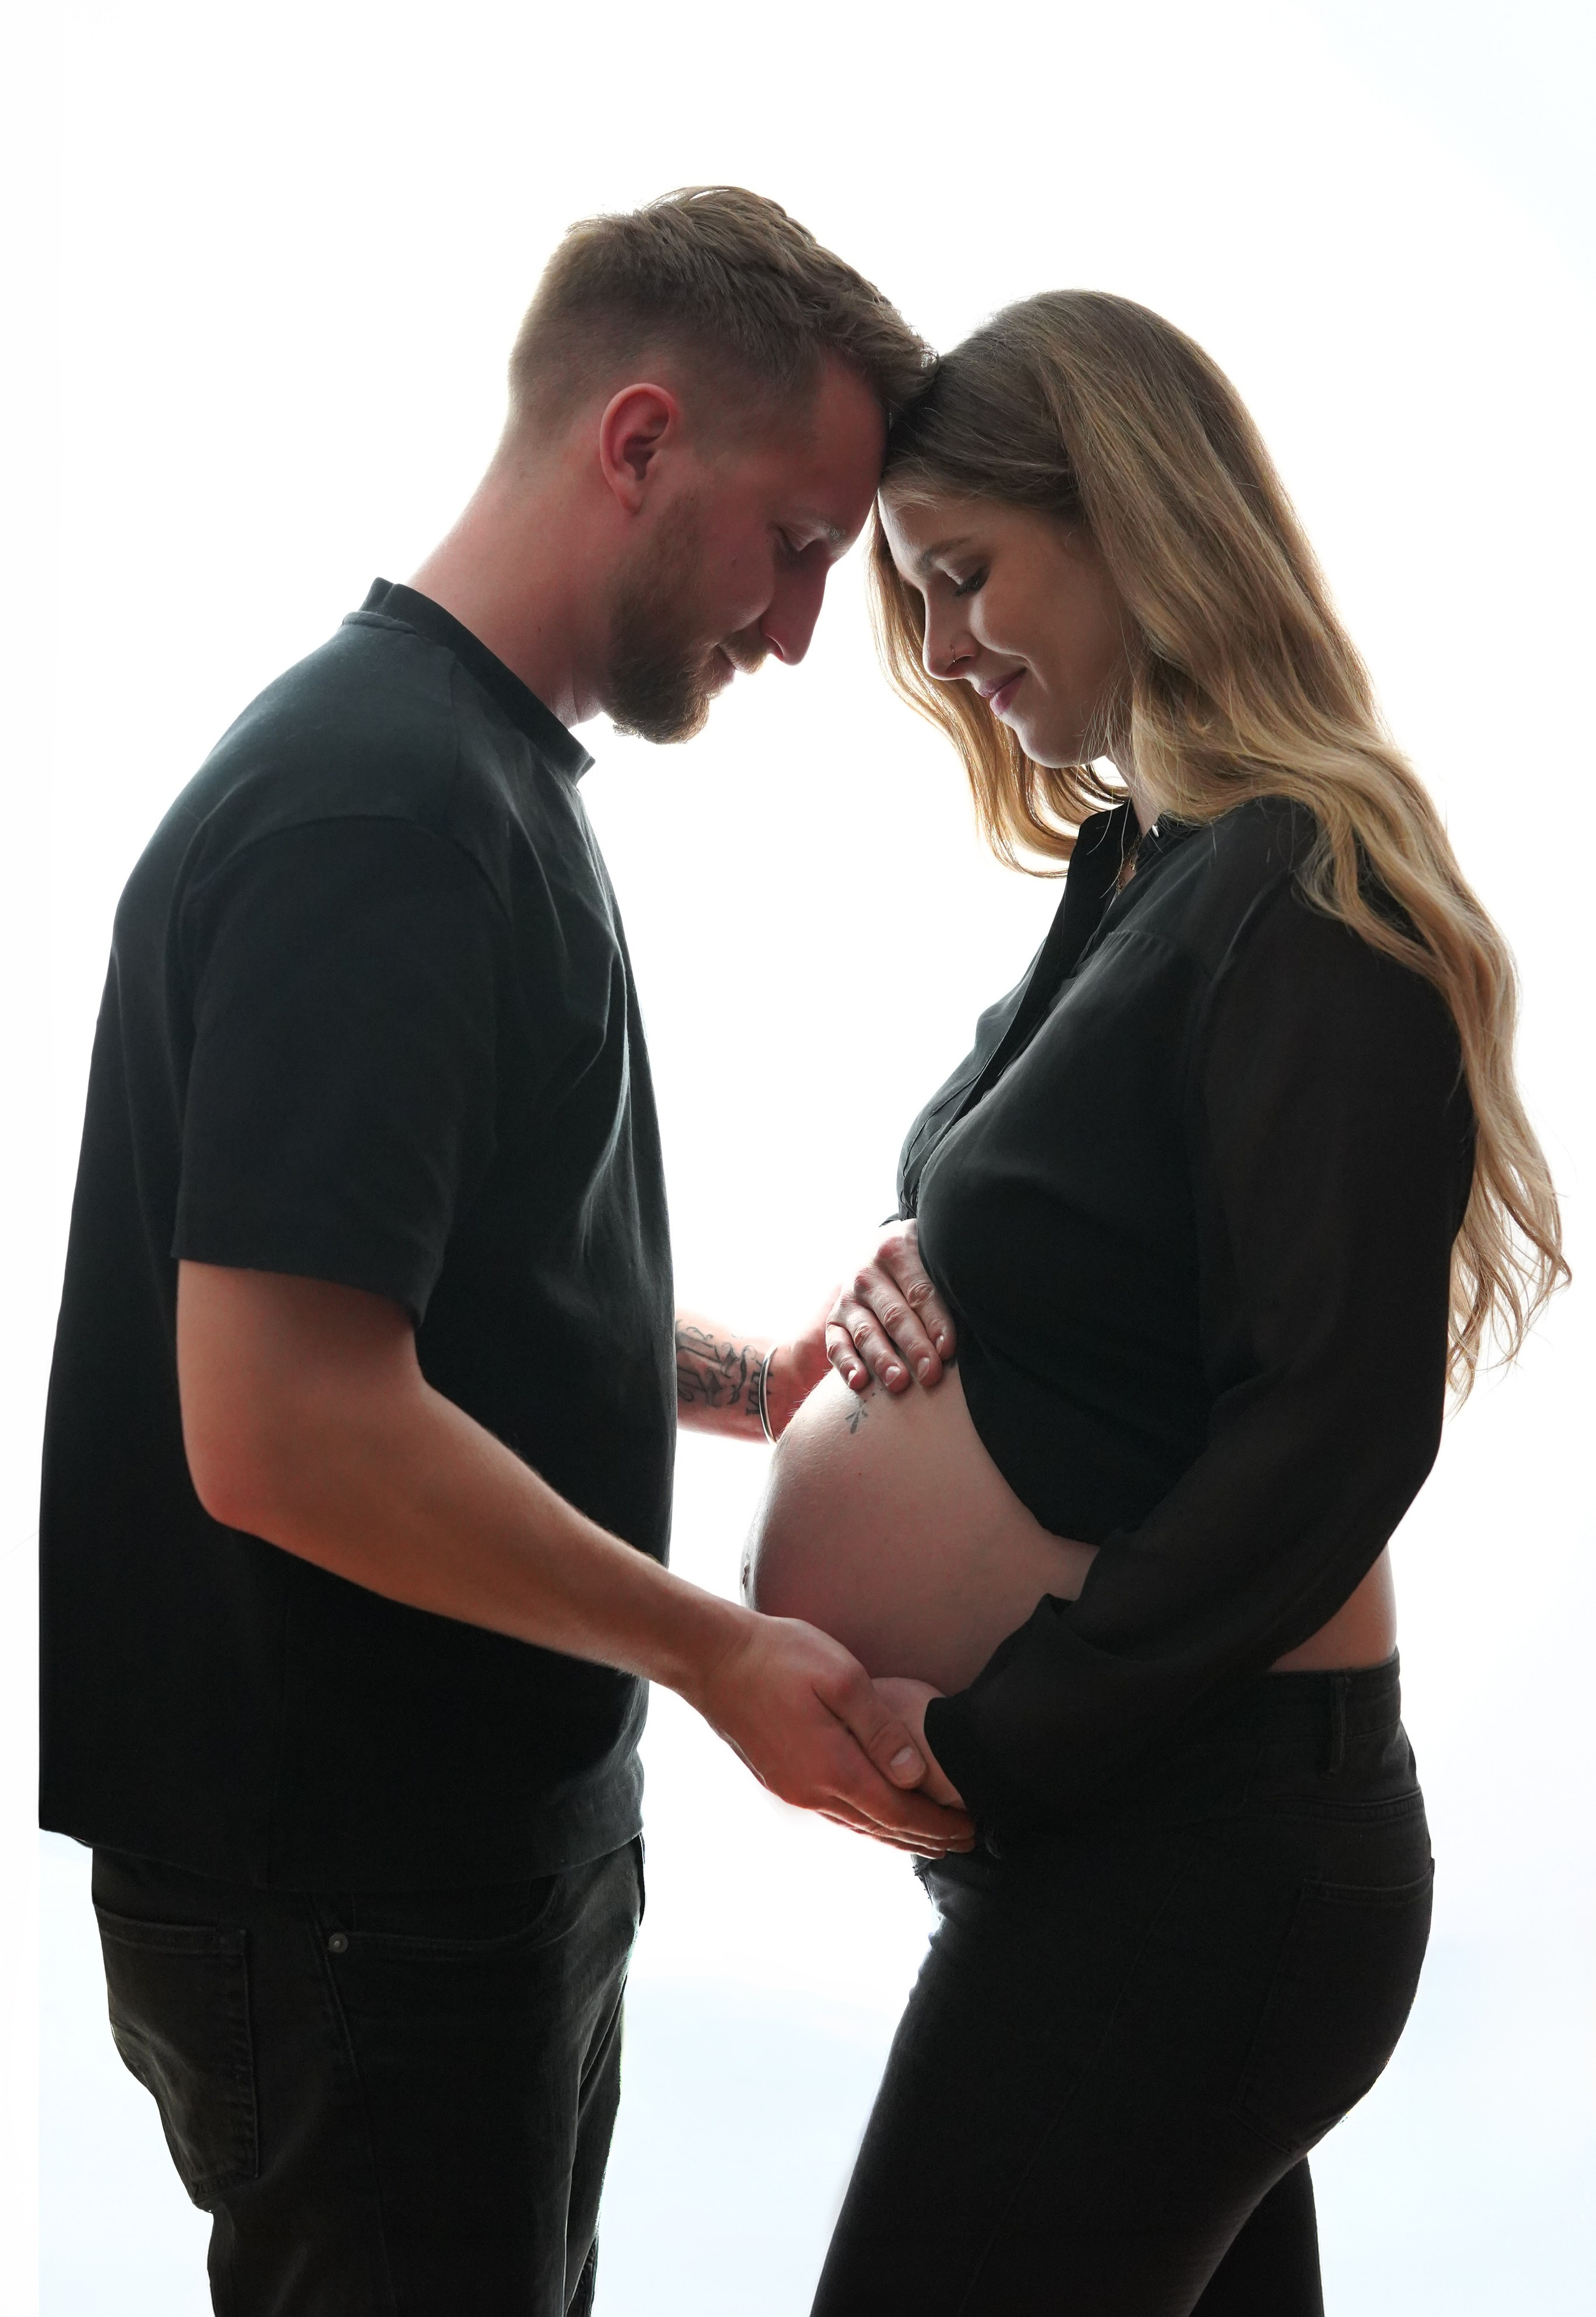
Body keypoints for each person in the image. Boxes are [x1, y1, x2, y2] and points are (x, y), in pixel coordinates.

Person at [39, 185, 974, 2317]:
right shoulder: (384, 812)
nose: (806, 627)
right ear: (639, 444)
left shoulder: (472, 777)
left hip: (448, 1879)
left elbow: (436, 1279)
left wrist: (756, 1383)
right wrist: (712, 1653)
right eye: (802, 543)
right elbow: (283, 1428)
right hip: (357, 1905)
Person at [737, 291, 1566, 2314]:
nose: (942, 652)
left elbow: (1339, 1424)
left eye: (964, 578)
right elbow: (1071, 1244)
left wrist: (1015, 1734)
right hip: (1126, 1852)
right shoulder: (1145, 866)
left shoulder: (1308, 888)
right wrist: (905, 1262)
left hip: (1197, 1860)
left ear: (1129, 519)